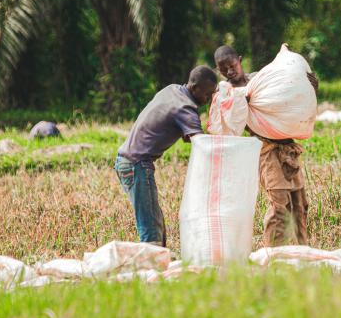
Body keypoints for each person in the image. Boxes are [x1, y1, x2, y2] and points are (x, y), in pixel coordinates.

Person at [213, 45, 318, 247]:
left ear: (240, 60)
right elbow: (232, 122)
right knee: (279, 205)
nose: (229, 71)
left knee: (300, 203)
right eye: (222, 68)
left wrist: (310, 85)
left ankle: (301, 251)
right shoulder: (227, 92)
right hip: (266, 151)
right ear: (218, 70)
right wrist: (239, 100)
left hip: (289, 147)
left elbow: (288, 90)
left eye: (232, 65)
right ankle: (273, 253)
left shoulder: (259, 80)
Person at [115, 66, 218, 246]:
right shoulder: (185, 107)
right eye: (207, 95)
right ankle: (151, 270)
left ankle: (158, 263)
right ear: (194, 88)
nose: (208, 100)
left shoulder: (172, 90)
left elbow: (187, 136)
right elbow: (201, 143)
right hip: (137, 165)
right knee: (151, 229)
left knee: (155, 223)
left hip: (127, 162)